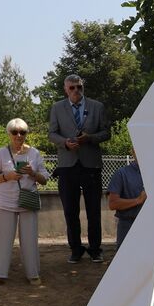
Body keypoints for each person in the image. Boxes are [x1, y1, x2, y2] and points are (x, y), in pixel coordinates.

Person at [47, 74, 110, 263]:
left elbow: (106, 133)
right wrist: (65, 143)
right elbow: (52, 133)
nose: (76, 90)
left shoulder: (97, 107)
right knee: (70, 211)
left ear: (83, 87)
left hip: (91, 165)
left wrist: (90, 138)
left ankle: (95, 249)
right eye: (72, 87)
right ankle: (75, 249)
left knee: (94, 210)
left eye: (79, 87)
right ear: (65, 89)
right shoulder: (57, 108)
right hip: (67, 166)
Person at [0, 118, 49, 286]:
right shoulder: (1, 153)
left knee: (30, 240)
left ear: (26, 134)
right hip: (4, 202)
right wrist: (8, 176)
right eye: (15, 132)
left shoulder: (34, 153)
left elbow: (44, 179)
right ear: (9, 133)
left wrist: (32, 173)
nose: (19, 135)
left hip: (28, 201)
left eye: (22, 132)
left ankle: (33, 274)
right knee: (1, 240)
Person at [105, 148, 146, 245]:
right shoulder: (122, 174)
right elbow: (113, 204)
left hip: (153, 226)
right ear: (132, 151)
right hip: (128, 226)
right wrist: (138, 200)